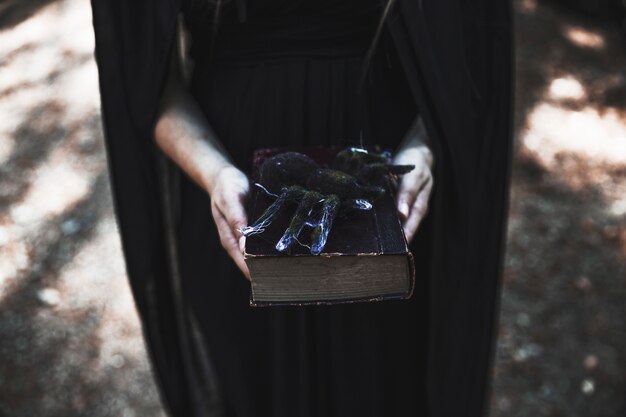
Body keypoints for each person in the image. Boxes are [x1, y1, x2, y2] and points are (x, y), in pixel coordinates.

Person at [91, 1, 513, 416]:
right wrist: (215, 173)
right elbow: (141, 81)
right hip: (234, 182)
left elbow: (474, 54)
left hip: (385, 185)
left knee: (387, 383)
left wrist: (424, 145)